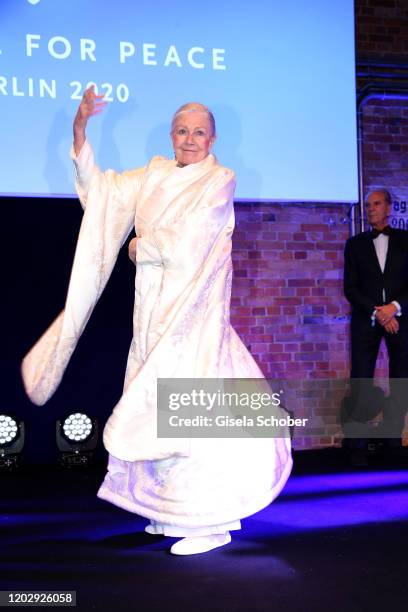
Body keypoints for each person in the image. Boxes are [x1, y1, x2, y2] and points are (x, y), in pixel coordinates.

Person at [22, 88, 292, 555]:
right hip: (151, 308)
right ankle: (171, 510)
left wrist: (137, 248)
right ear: (172, 135)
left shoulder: (219, 179)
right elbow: (104, 196)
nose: (190, 140)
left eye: (199, 133)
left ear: (213, 140)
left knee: (188, 405)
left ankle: (209, 520)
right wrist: (80, 130)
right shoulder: (153, 174)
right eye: (183, 131)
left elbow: (191, 239)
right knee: (154, 401)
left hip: (193, 311)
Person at [343, 188, 408, 464]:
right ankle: (358, 443)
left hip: (401, 319)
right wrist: (378, 312)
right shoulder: (355, 244)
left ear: (389, 208)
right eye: (368, 205)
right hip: (366, 320)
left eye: (377, 204)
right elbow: (350, 288)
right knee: (361, 378)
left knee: (401, 379)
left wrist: (394, 308)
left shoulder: (406, 241)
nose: (371, 209)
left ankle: (393, 441)